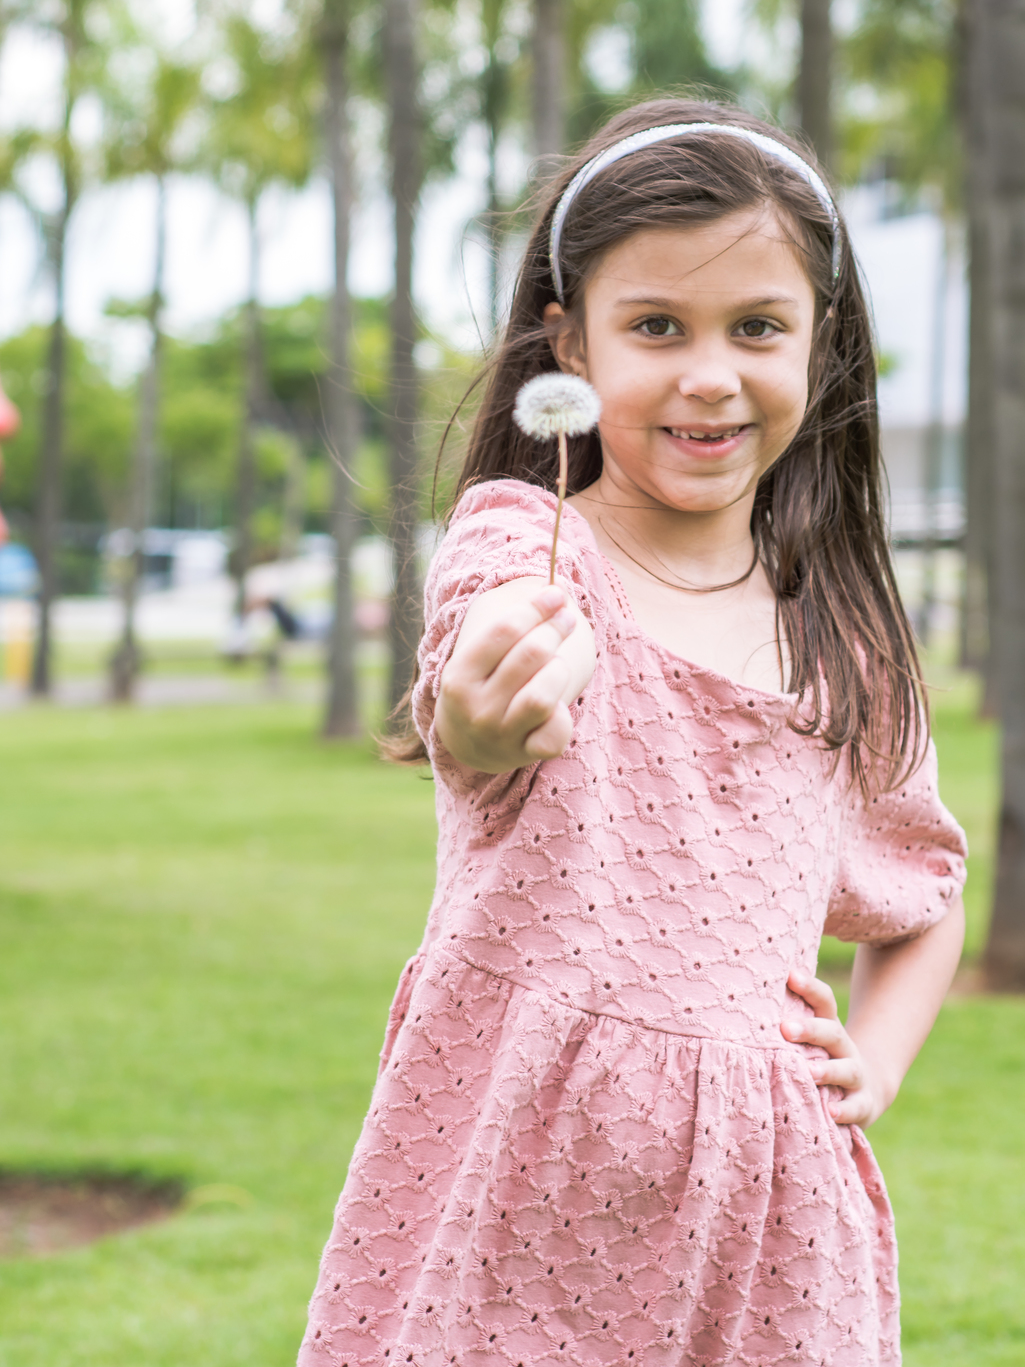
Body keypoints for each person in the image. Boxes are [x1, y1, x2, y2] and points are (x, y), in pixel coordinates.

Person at [298, 97, 967, 1367]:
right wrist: (484, 717)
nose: (708, 375)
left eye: (757, 328)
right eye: (656, 326)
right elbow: (478, 685)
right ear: (572, 343)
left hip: (765, 1214)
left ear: (821, 351)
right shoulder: (531, 547)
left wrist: (869, 1069)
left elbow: (929, 895)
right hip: (523, 1178)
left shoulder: (847, 644)